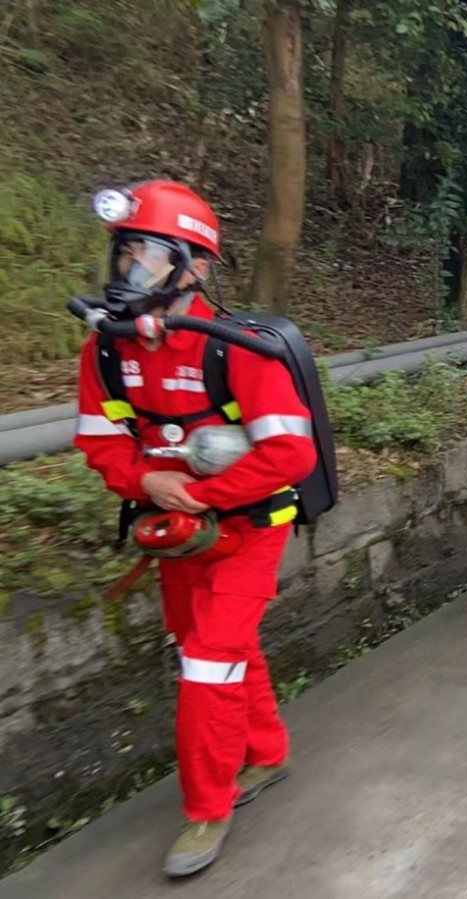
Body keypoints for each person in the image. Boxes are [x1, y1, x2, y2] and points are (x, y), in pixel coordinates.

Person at [72, 181, 318, 877]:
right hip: (176, 524)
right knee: (207, 642)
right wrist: (145, 482)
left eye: (151, 254)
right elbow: (100, 439)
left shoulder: (236, 349)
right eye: (126, 253)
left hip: (249, 525)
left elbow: (290, 454)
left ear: (196, 267)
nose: (133, 269)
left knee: (209, 658)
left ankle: (207, 808)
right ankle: (267, 752)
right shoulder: (108, 351)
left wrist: (206, 493)